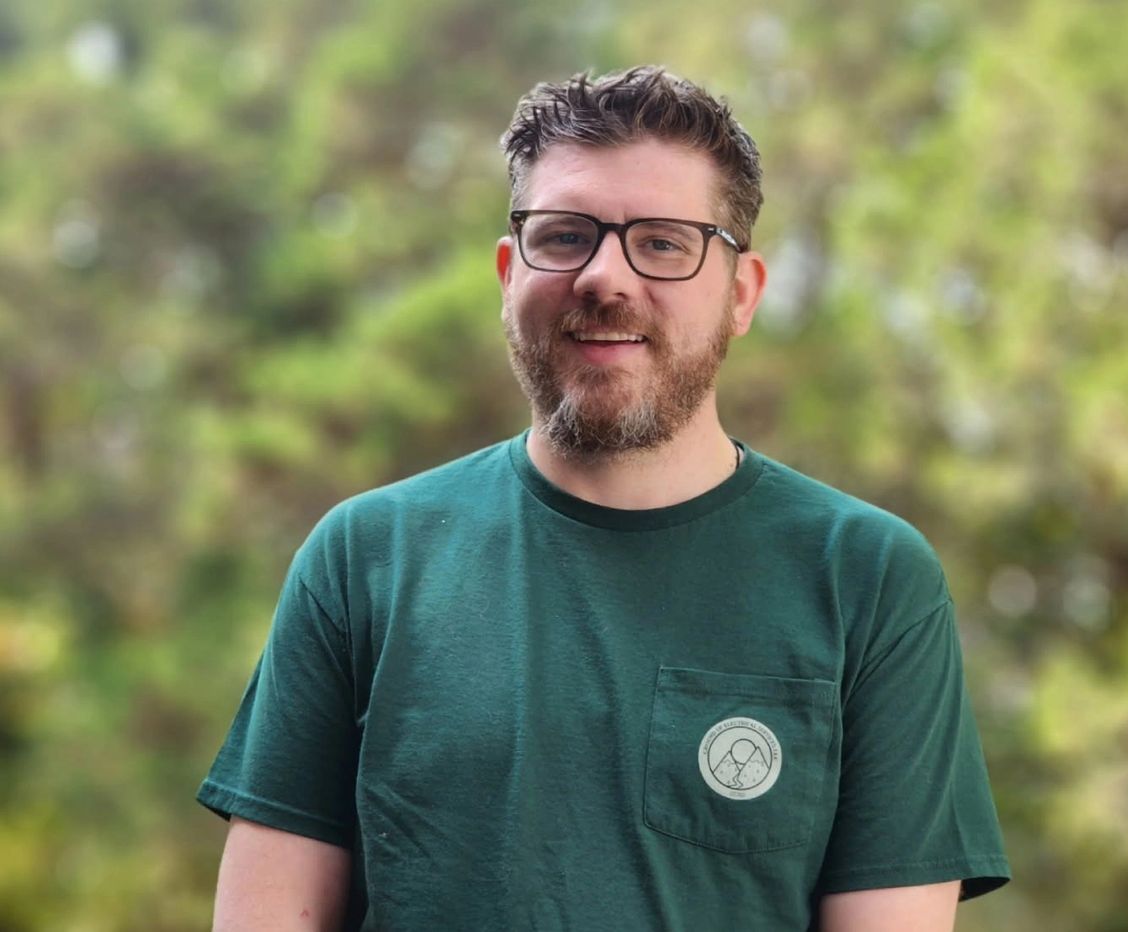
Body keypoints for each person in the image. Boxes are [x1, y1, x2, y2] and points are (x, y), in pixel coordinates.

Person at [198, 66, 1011, 931]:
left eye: (662, 242)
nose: (603, 277)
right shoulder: (365, 558)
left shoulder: (867, 579)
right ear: (511, 272)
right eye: (565, 236)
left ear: (740, 294)